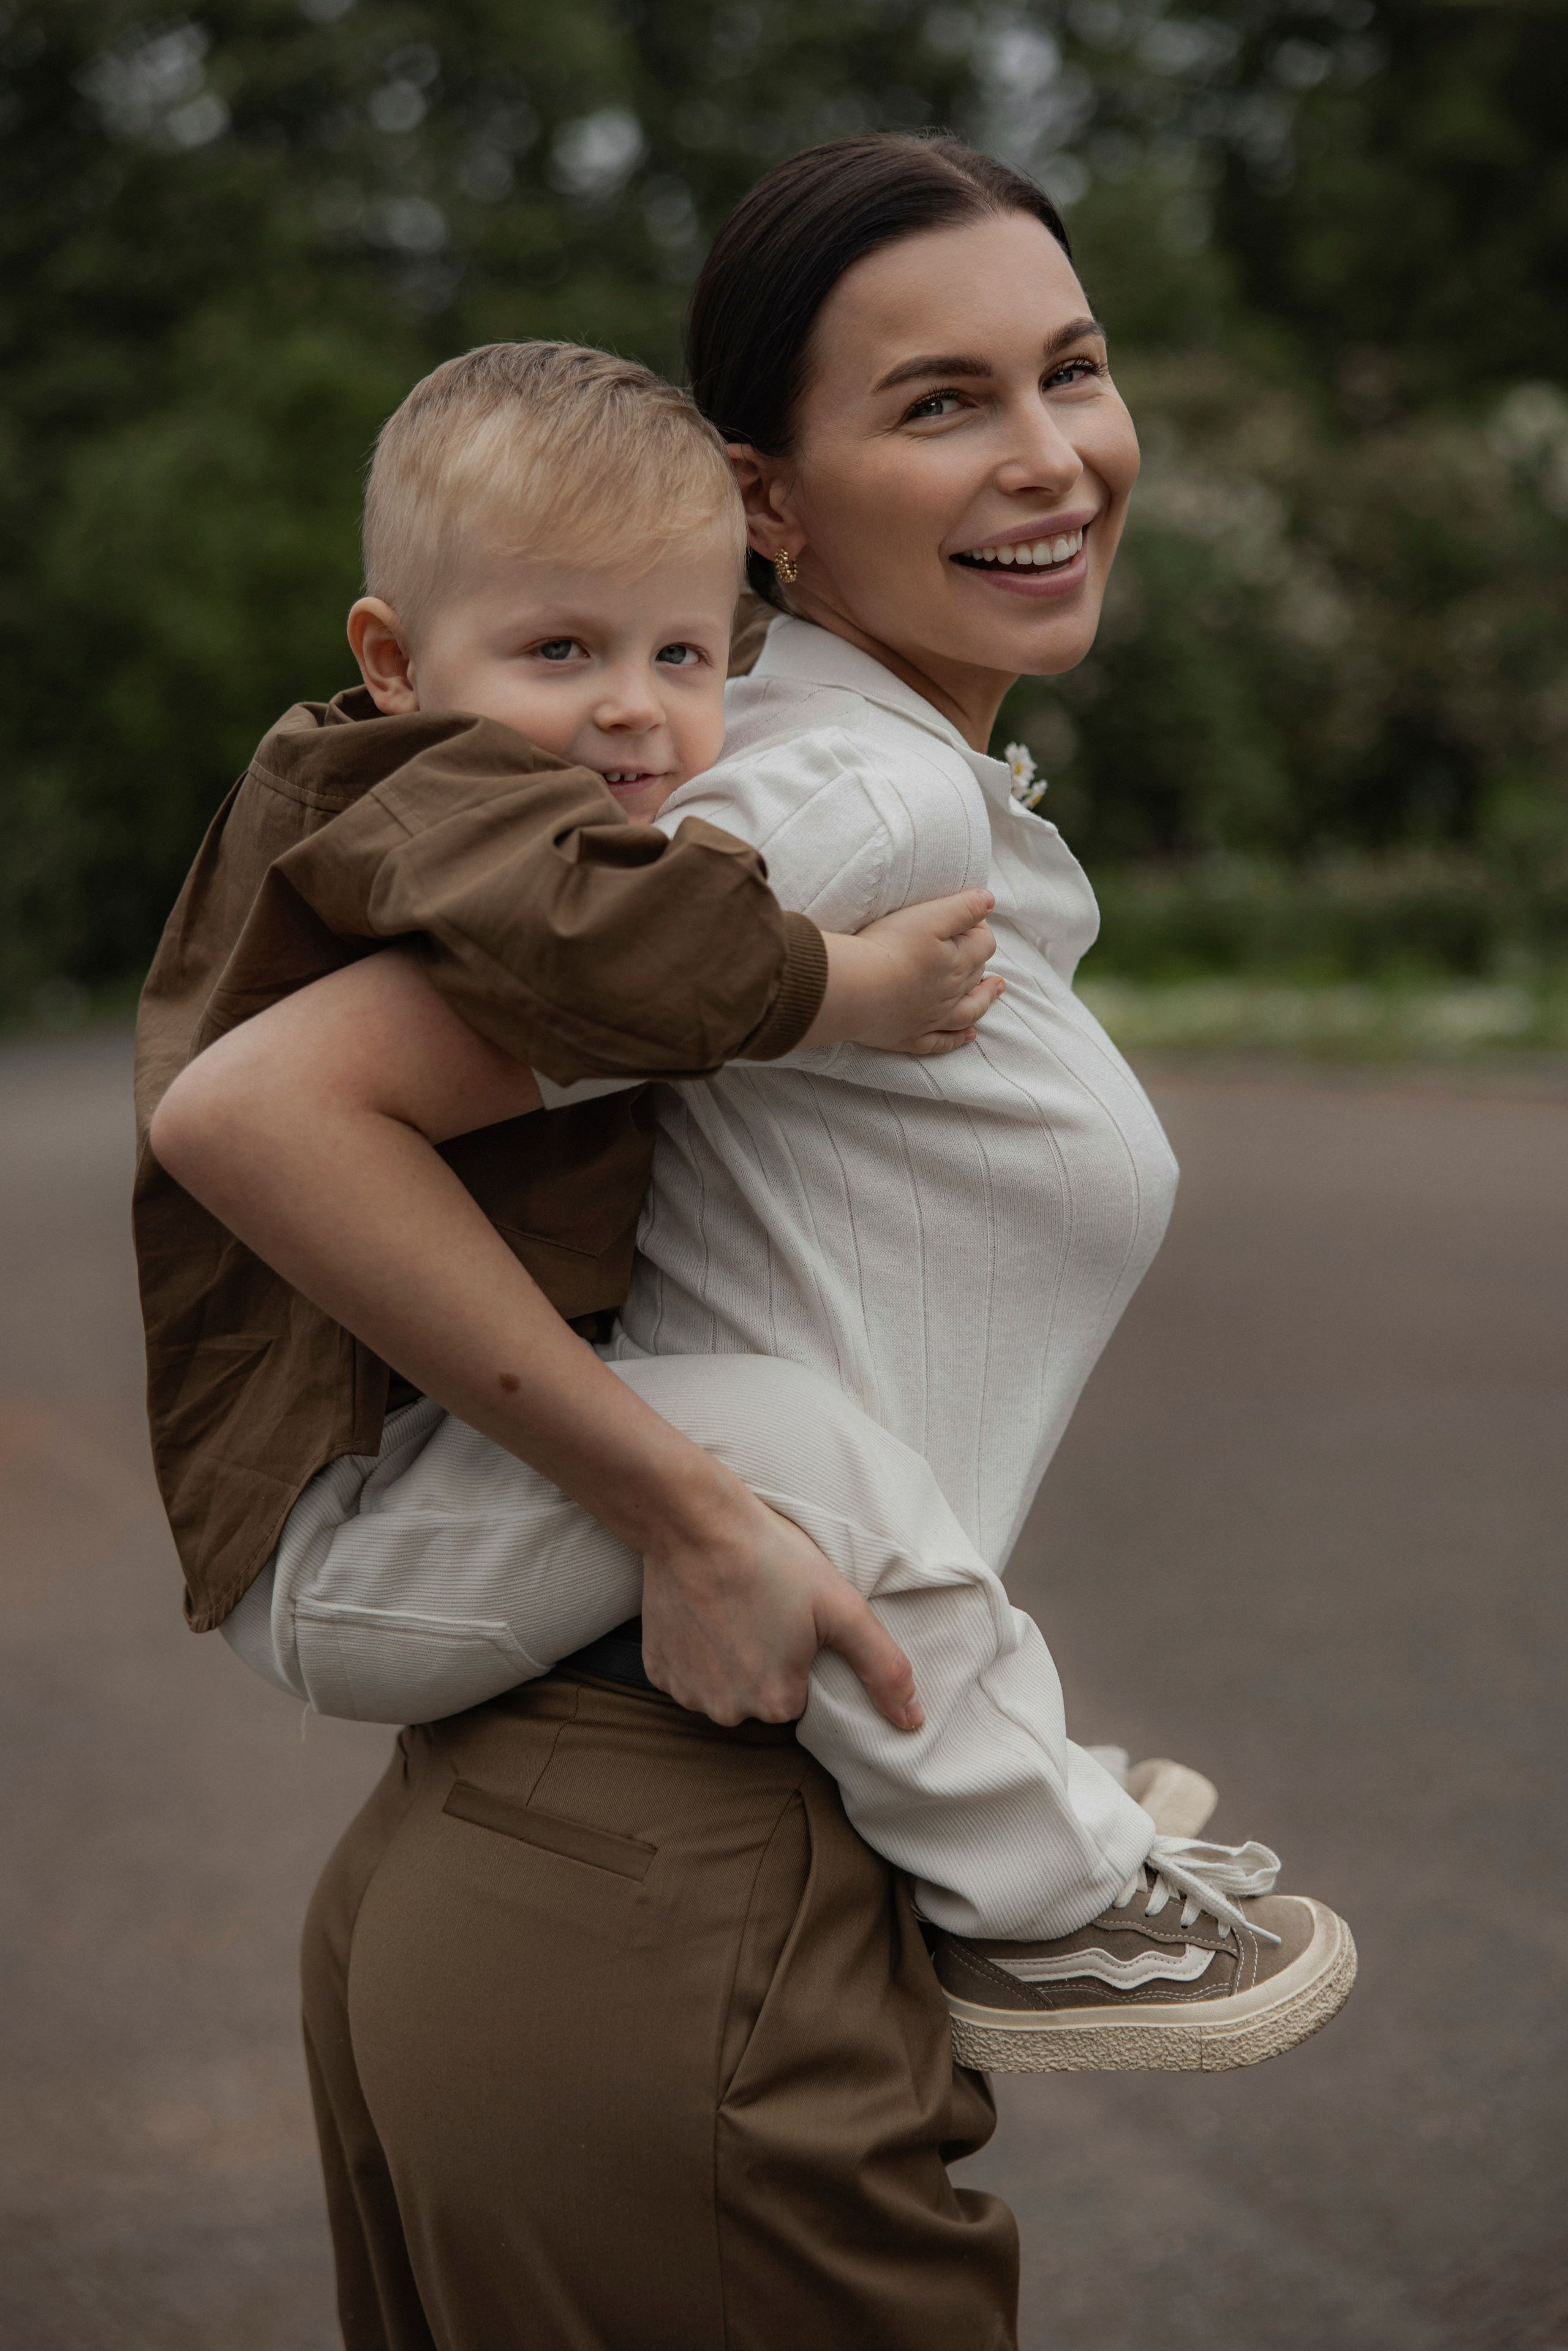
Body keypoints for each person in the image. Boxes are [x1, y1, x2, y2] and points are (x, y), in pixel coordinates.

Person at [143, 137, 1352, 2350]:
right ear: (767, 499)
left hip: (576, 1844)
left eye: (1068, 370)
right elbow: (261, 1105)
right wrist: (682, 1506)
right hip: (676, 1873)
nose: (1049, 455)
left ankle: (1042, 1813)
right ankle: (1060, 1876)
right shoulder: (822, 800)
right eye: (937, 403)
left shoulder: (817, 758)